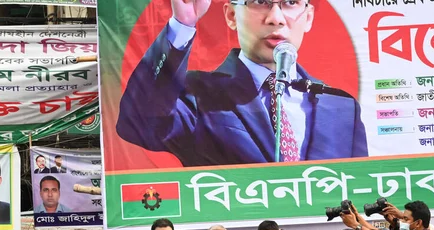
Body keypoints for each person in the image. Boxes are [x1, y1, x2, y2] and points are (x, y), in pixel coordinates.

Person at [116, 0, 368, 166]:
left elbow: (357, 187)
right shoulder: (197, 95)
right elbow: (137, 124)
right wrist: (183, 24)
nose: (276, 18)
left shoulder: (342, 107)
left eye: (290, 3)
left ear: (309, 17)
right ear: (231, 14)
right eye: (260, 2)